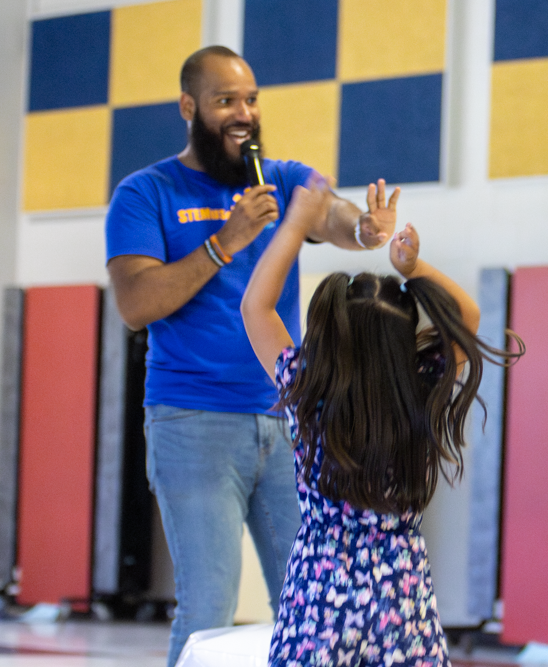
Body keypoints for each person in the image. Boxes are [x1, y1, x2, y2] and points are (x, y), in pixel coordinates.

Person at [104, 45, 400, 667]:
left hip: (288, 419)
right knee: (209, 606)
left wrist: (366, 232)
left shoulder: (284, 177)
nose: (244, 113)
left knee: (311, 600)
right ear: (189, 107)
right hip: (192, 421)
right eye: (225, 101)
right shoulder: (145, 192)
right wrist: (227, 241)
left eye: (251, 99)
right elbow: (134, 305)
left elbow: (334, 213)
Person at [240, 177, 522, 666]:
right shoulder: (420, 386)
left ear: (329, 335)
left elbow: (256, 306)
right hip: (400, 590)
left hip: (319, 587)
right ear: (401, 342)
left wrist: (296, 225)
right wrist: (413, 268)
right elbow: (468, 316)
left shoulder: (308, 388)